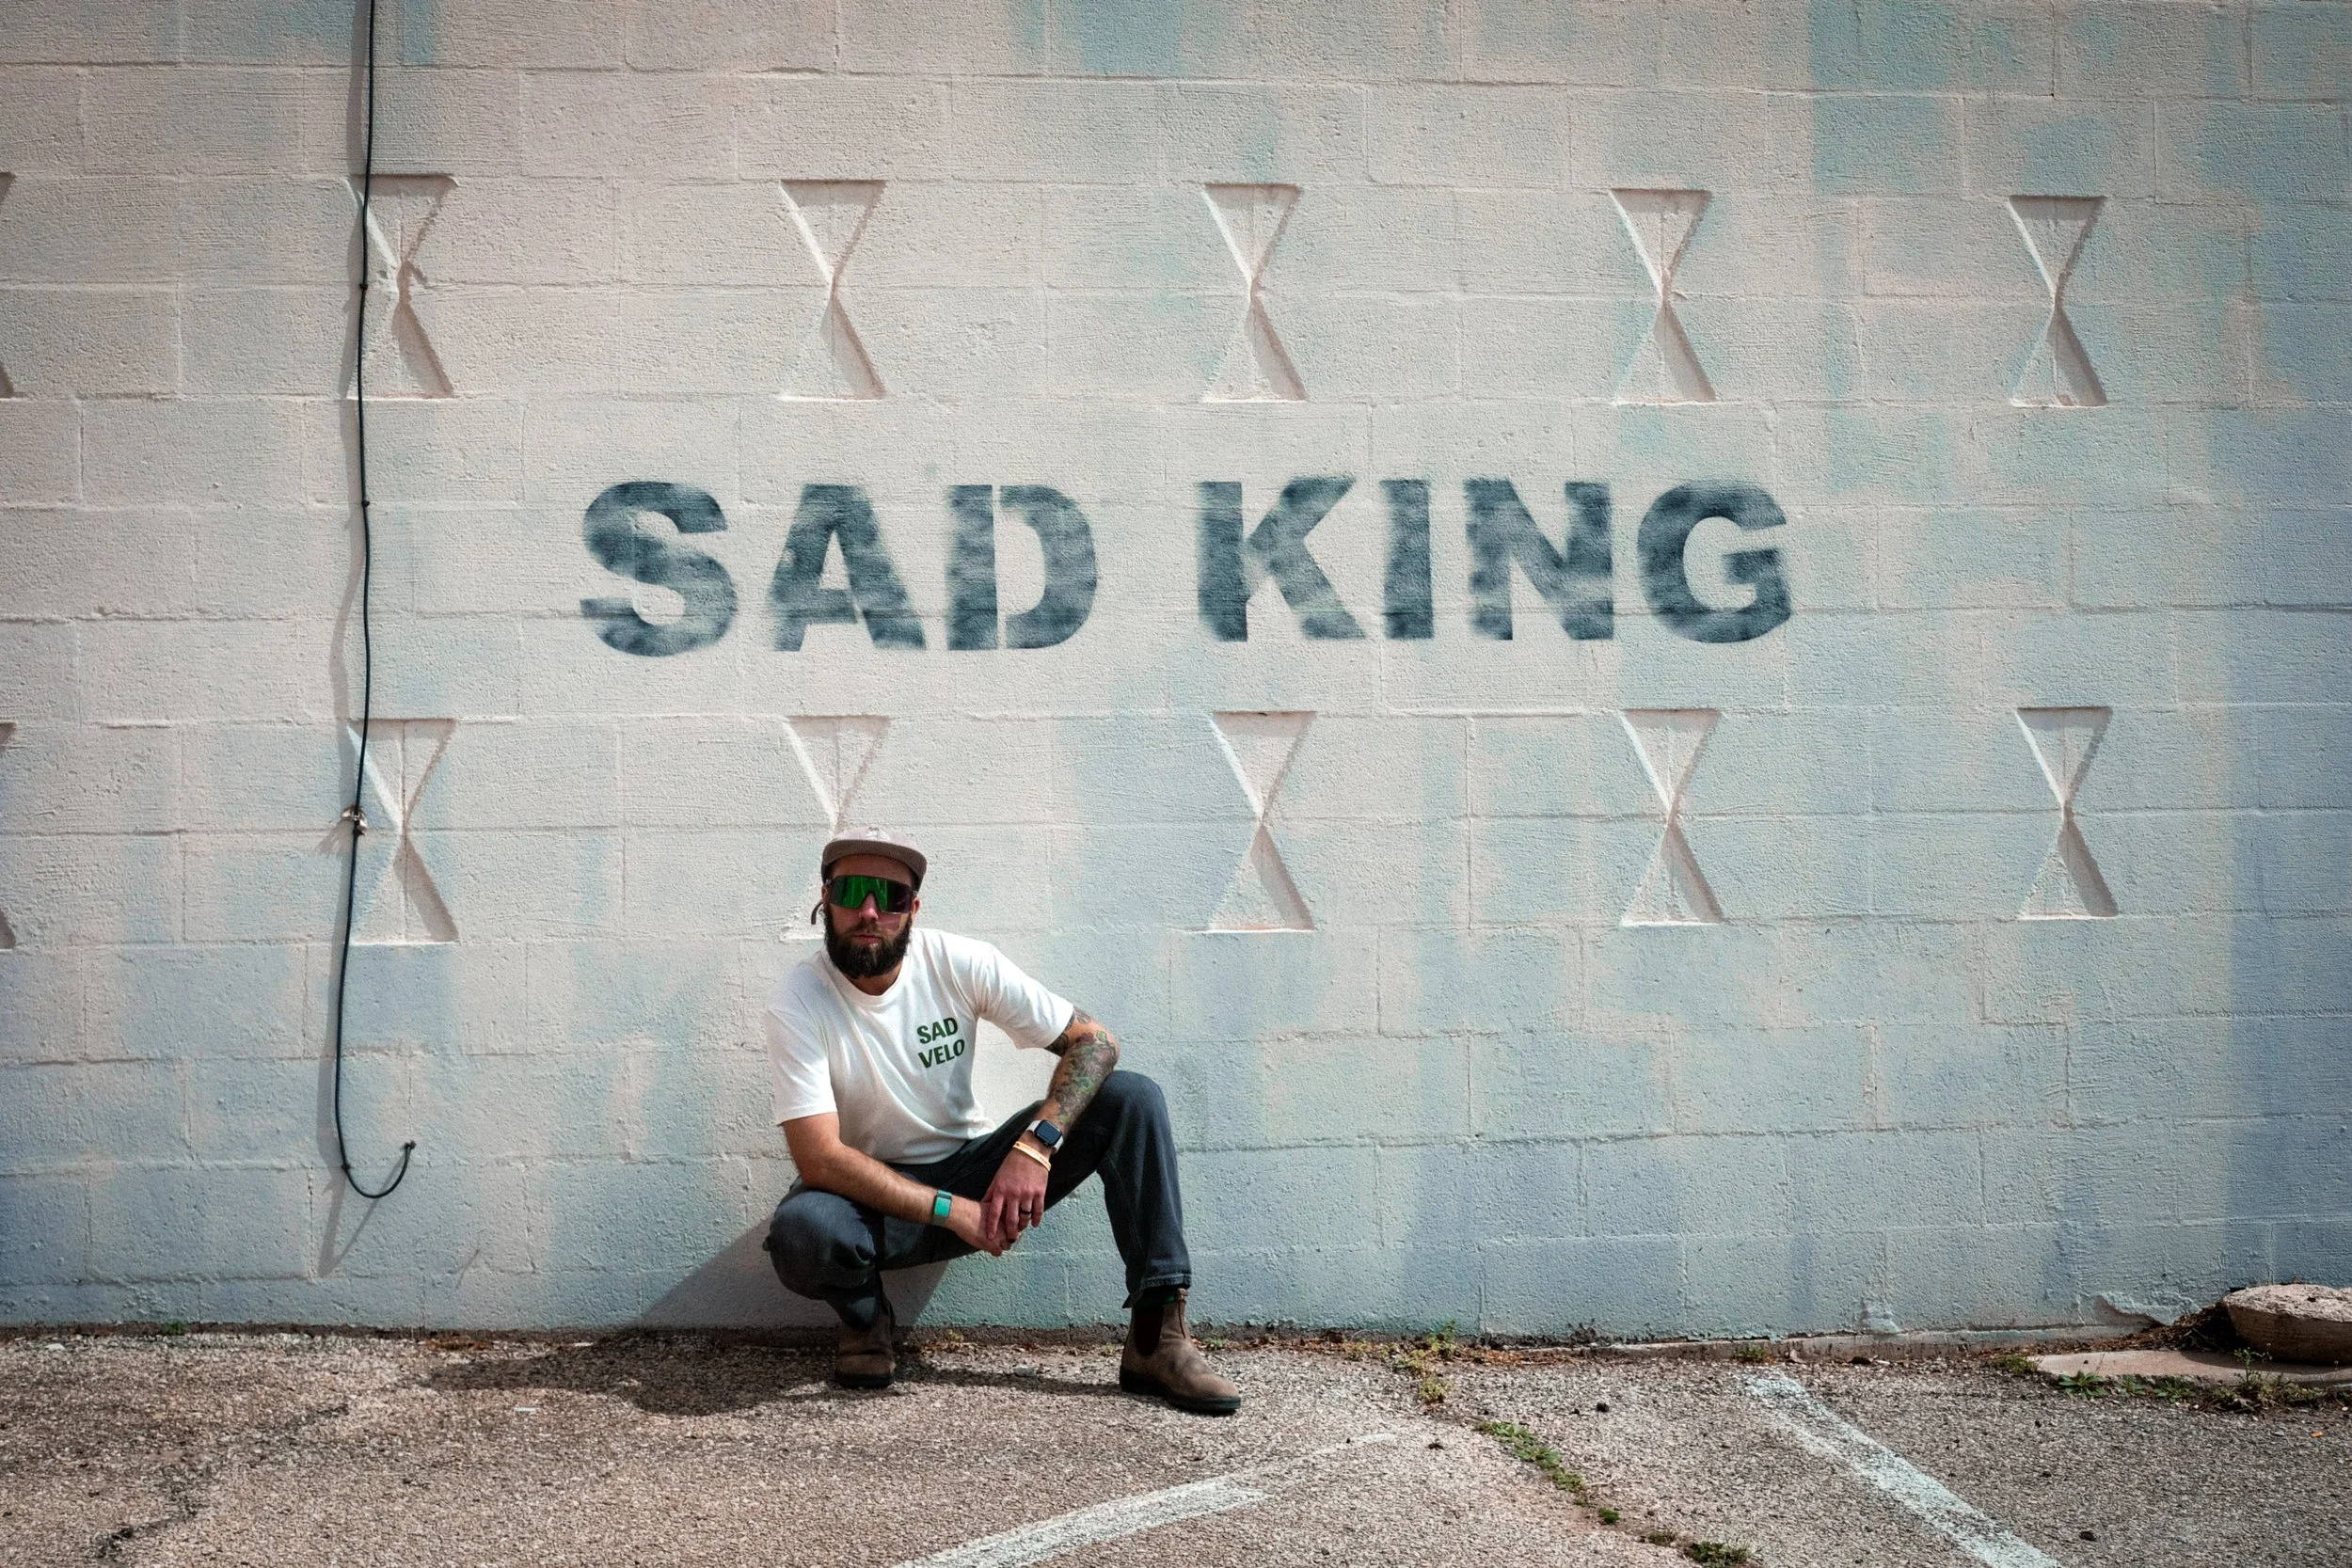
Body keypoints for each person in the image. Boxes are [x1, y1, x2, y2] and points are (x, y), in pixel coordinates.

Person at [761, 828, 1241, 1414]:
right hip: (870, 1199)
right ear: (825, 899)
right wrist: (953, 1212)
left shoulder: (958, 962)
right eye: (851, 891)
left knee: (1131, 1098)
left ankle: (1157, 1338)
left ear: (913, 908)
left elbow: (1095, 1043)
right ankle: (866, 1320)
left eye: (889, 896)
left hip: (975, 1176)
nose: (868, 911)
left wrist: (1036, 1146)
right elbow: (819, 1158)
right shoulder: (799, 997)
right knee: (803, 1232)